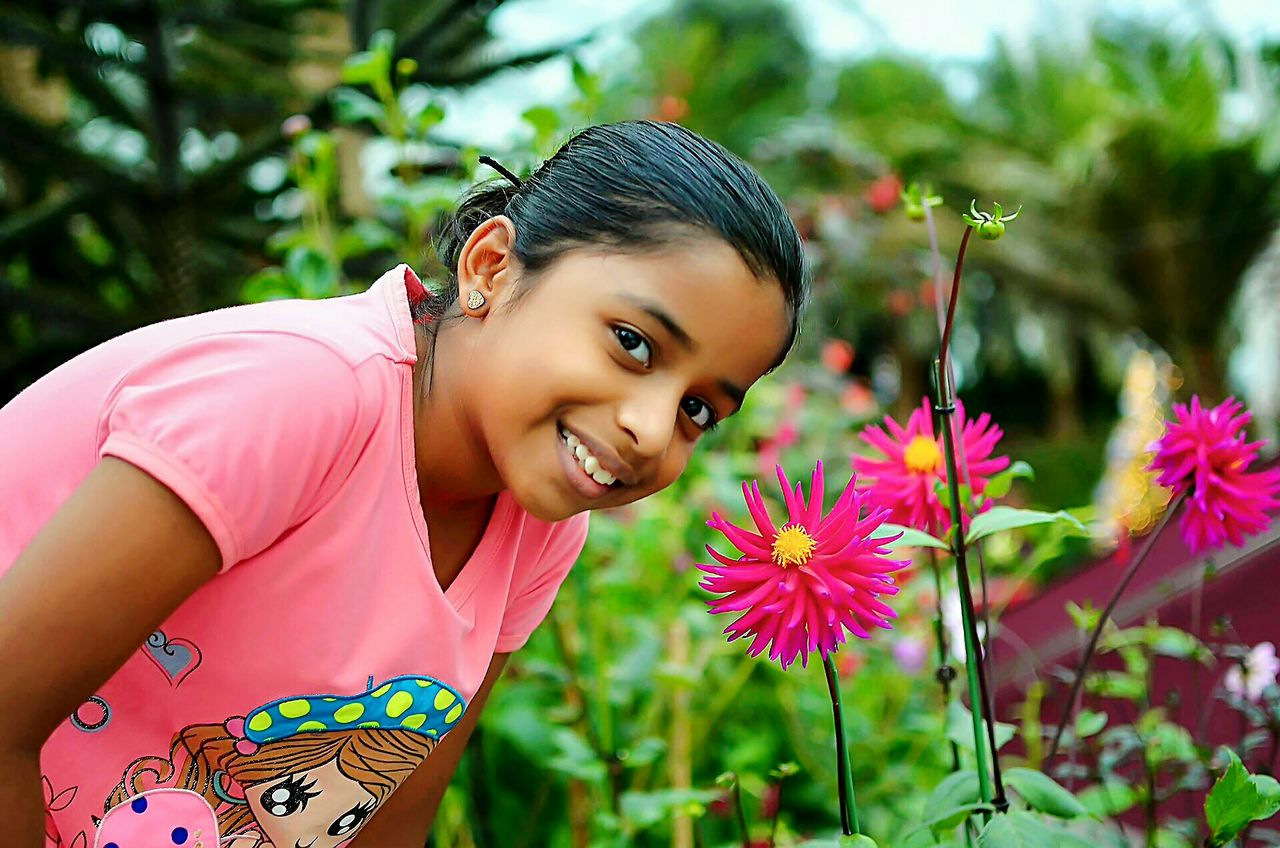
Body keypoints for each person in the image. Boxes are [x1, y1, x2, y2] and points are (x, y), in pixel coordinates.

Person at [0, 119, 807, 847]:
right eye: (633, 342)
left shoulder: (538, 531)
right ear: (491, 267)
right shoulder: (301, 395)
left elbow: (390, 824)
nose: (653, 429)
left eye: (700, 409)